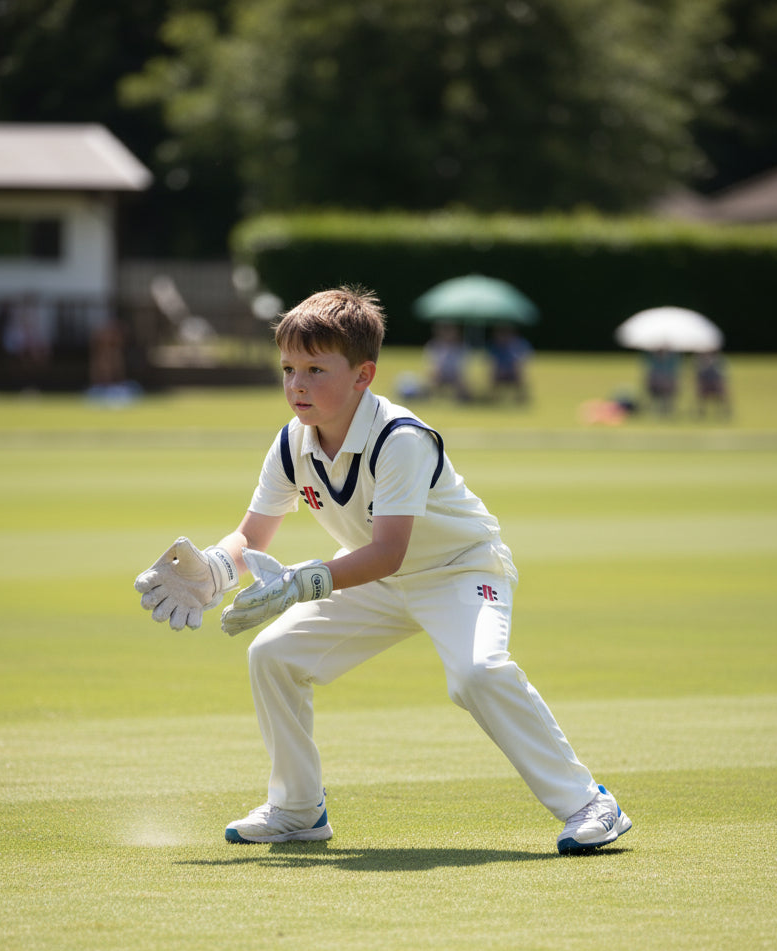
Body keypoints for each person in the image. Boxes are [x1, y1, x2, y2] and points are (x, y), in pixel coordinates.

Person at [134, 287, 632, 855]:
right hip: (375, 580)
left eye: (316, 369)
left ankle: (590, 803)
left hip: (460, 571)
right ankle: (297, 809)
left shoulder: (402, 439)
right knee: (273, 656)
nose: (297, 384)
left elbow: (389, 550)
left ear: (363, 375)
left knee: (477, 673)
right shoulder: (292, 442)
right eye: (289, 368)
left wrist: (301, 582)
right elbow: (252, 535)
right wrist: (215, 568)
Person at [423, 322, 470, 401]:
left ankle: (461, 399)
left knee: (463, 385)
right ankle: (430, 398)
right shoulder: (433, 345)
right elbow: (431, 364)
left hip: (454, 375)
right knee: (432, 378)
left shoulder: (461, 346)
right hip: (439, 374)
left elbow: (463, 365)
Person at [487, 323, 532, 402]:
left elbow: (522, 360)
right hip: (499, 372)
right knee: (494, 373)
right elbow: (491, 361)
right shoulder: (494, 346)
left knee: (518, 372)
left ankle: (521, 398)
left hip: (513, 372)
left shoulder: (519, 344)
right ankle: (493, 399)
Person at [643, 348, 680, 415]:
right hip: (655, 387)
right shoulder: (653, 363)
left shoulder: (671, 363)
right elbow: (650, 378)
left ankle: (666, 408)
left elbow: (674, 378)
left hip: (668, 387)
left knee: (667, 387)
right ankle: (660, 409)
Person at [694, 351, 730, 419]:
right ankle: (700, 412)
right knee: (700, 393)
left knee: (722, 391)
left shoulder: (718, 362)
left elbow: (722, 376)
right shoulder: (700, 363)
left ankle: (724, 412)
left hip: (715, 385)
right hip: (705, 385)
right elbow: (698, 376)